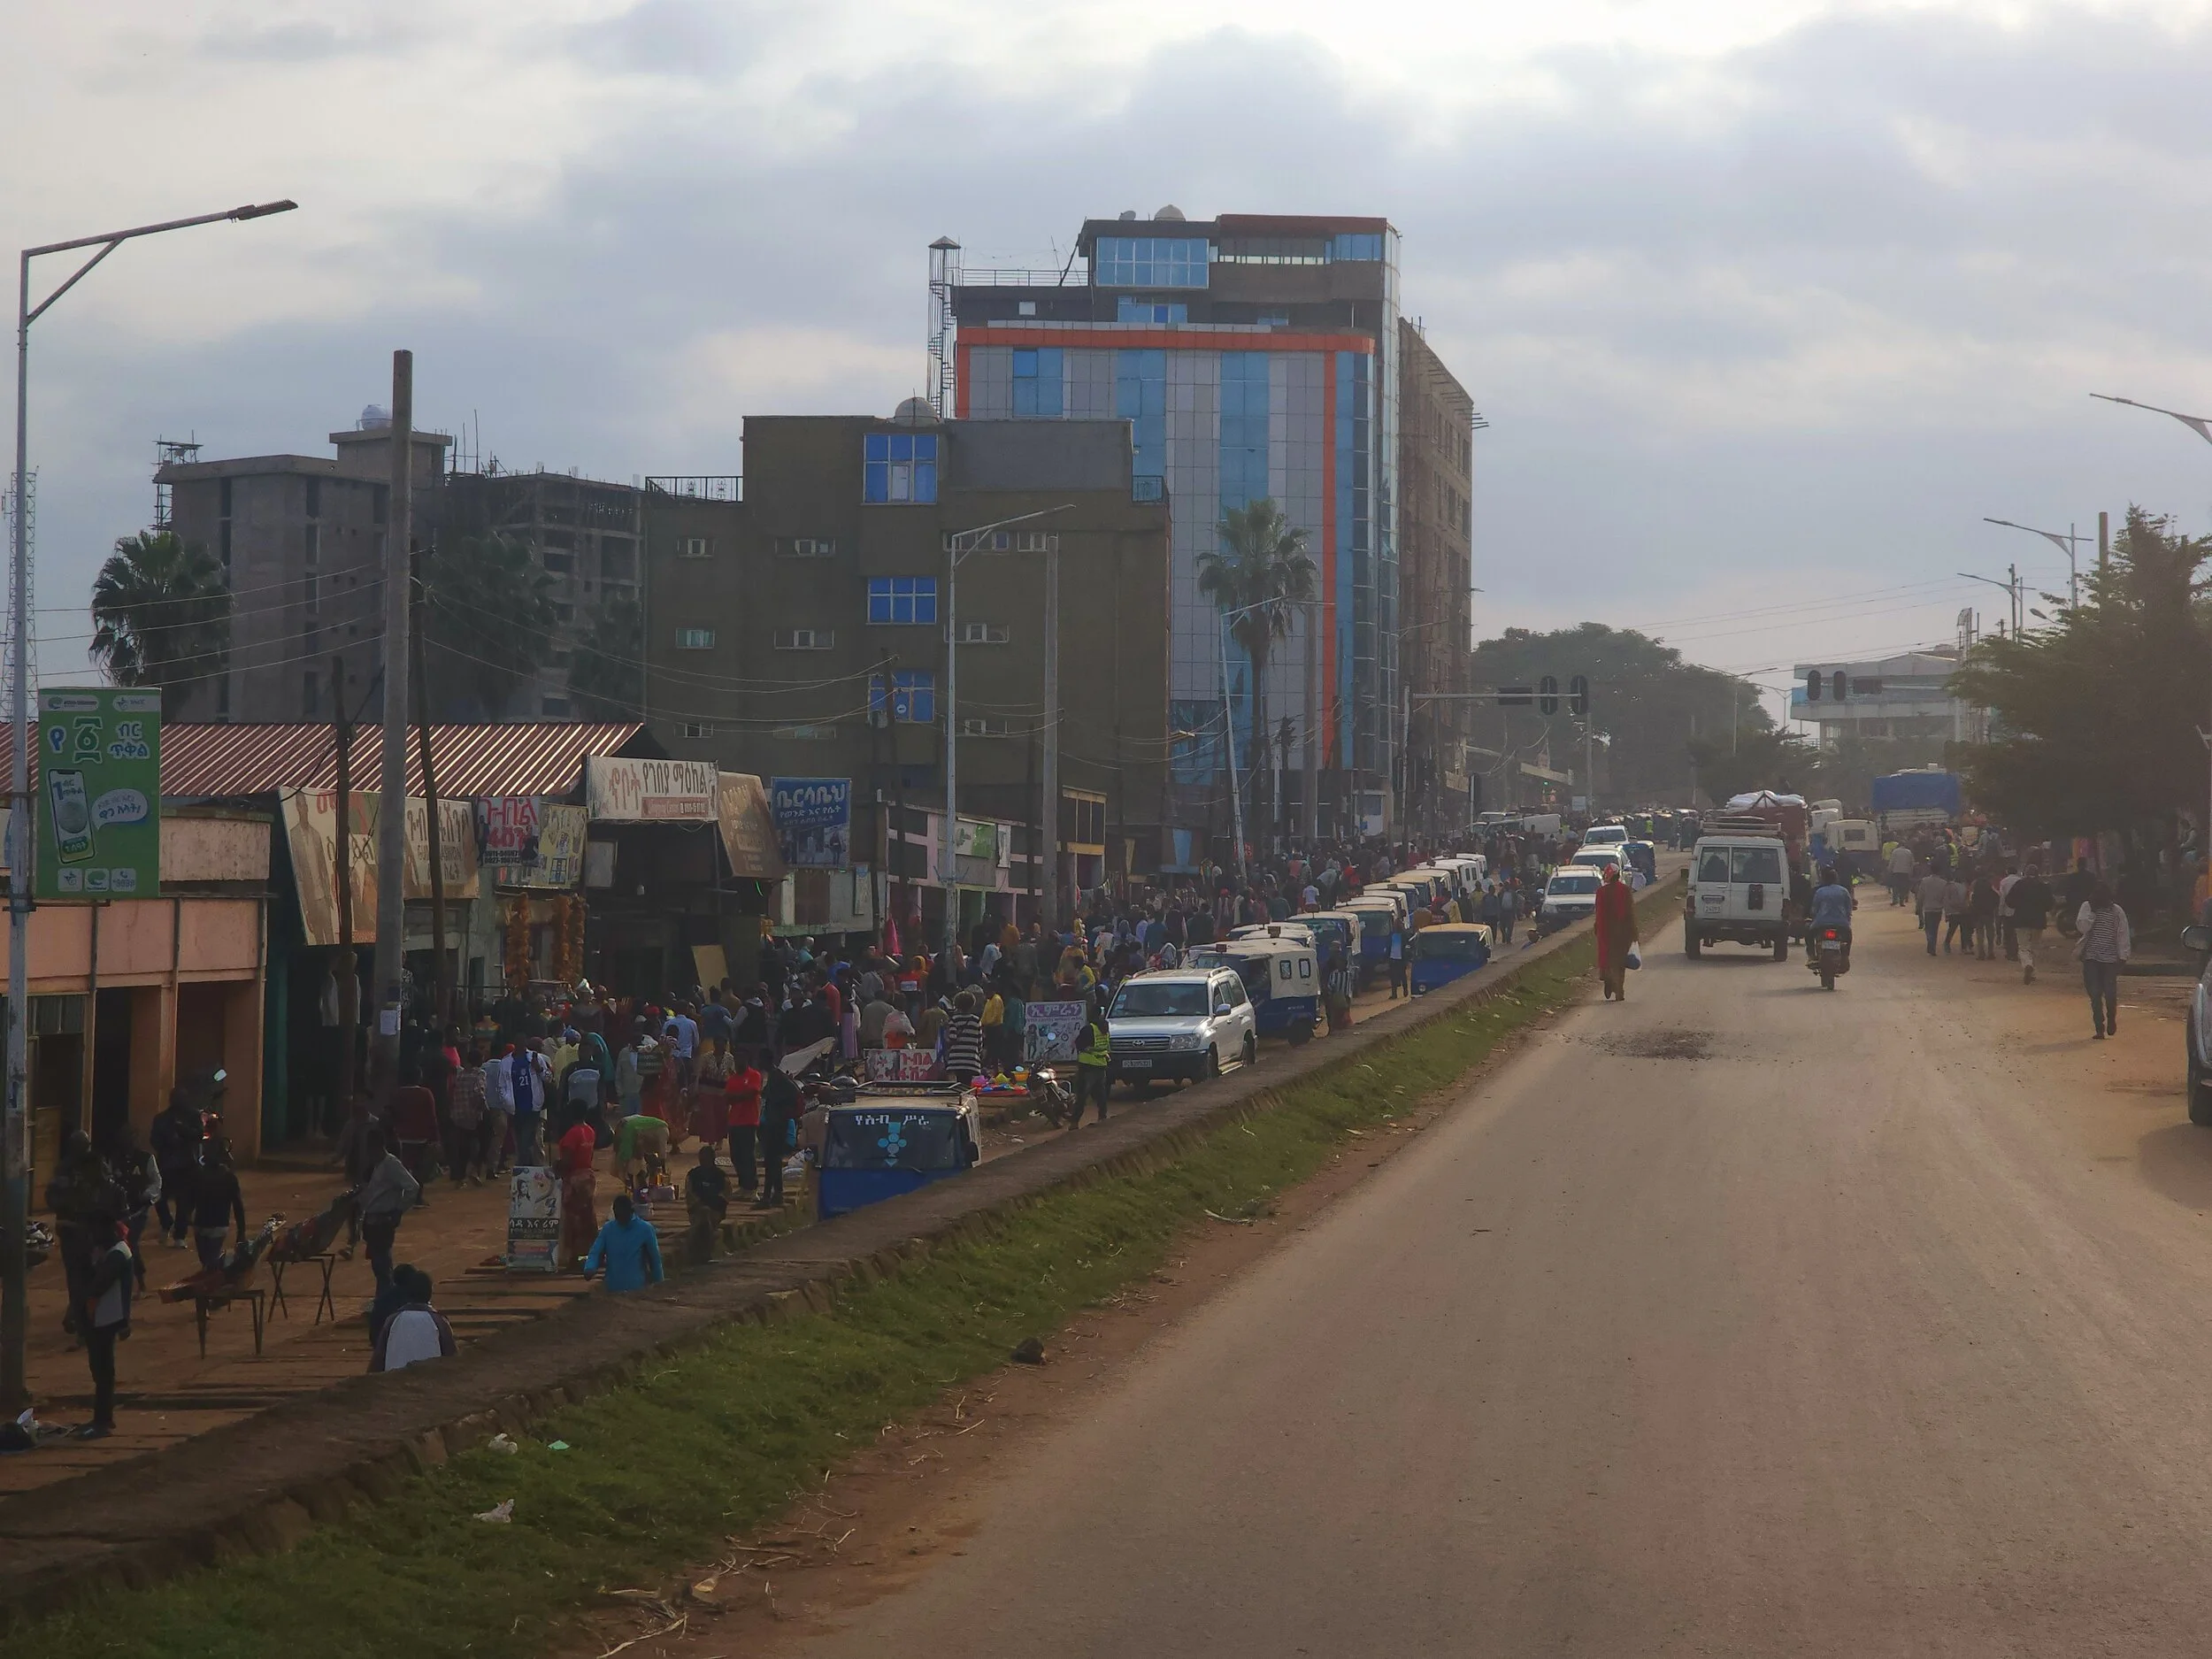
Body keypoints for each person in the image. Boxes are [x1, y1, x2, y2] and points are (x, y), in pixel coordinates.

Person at [78, 1217, 134, 1438]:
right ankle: (102, 1418)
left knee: (103, 1372)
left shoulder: (117, 1254)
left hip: (107, 1317)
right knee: (100, 1370)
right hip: (104, 1317)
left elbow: (98, 1285)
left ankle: (103, 1420)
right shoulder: (110, 1251)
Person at [355, 1130, 422, 1296]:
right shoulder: (376, 1166)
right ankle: (383, 1297)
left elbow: (413, 1187)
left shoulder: (391, 1164)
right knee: (378, 1266)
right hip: (372, 1221)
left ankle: (386, 1299)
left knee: (383, 1266)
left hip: (383, 1220)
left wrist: (399, 1209)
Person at [368, 1265, 457, 1373]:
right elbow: (452, 1358)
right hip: (431, 1379)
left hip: (394, 1380)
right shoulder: (439, 1321)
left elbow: (378, 1358)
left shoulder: (393, 1319)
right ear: (430, 1293)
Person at [148, 1087, 202, 1250]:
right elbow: (154, 1140)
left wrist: (183, 1130)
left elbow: (199, 1135)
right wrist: (167, 1144)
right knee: (159, 1197)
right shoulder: (161, 1118)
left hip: (186, 1164)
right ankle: (166, 1222)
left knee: (183, 1201)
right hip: (166, 1163)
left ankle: (180, 1235)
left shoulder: (193, 1115)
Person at [2076, 881, 2131, 1039]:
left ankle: (2111, 1018)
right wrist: (2092, 913)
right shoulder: (2087, 908)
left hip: (2110, 960)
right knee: (2094, 994)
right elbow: (2082, 928)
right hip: (2091, 958)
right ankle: (2099, 1027)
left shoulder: (2116, 911)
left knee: (2110, 993)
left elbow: (2123, 934)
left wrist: (2123, 956)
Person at [583, 1192, 665, 1293]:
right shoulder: (608, 1229)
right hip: (613, 1289)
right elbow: (596, 1252)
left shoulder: (645, 1229)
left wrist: (659, 1284)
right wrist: (590, 1267)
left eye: (623, 1215)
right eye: (618, 1215)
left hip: (637, 1290)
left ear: (631, 1211)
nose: (621, 1219)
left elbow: (655, 1260)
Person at [188, 1140, 249, 1272]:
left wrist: (186, 1217)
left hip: (201, 1224)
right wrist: (241, 1231)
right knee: (210, 1262)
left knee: (207, 1261)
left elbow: (190, 1199)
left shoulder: (199, 1175)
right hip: (217, 1224)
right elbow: (238, 1206)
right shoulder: (229, 1178)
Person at [554, 1111, 599, 1269]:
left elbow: (567, 1160)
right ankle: (593, 1253)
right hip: (588, 1176)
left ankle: (574, 1256)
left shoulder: (572, 1134)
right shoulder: (590, 1131)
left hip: (575, 1179)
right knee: (588, 1217)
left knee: (573, 1219)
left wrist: (556, 1168)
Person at [1593, 864, 1640, 1002]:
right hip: (1624, 932)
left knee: (1609, 960)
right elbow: (1631, 912)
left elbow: (1599, 914)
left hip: (1607, 932)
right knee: (1621, 962)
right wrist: (1634, 931)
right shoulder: (1626, 890)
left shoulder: (1601, 892)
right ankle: (1619, 988)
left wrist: (1598, 928)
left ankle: (1611, 981)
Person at [758, 1062, 800, 1210]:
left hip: (775, 1133)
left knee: (771, 1165)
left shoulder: (779, 1096)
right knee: (773, 1165)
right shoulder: (777, 1091)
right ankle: (777, 1195)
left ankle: (767, 1198)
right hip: (772, 1132)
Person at [724, 1052, 764, 1198]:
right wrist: (741, 1096)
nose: (738, 1062)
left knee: (747, 1155)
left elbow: (751, 1093)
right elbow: (728, 1098)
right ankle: (744, 1185)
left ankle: (752, 1187)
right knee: (736, 1156)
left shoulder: (754, 1075)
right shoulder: (732, 1079)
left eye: (741, 1059)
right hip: (734, 1121)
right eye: (737, 1060)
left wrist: (737, 1096)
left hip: (749, 1120)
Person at [685, 1142, 730, 1265]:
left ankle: (699, 1253)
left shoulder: (721, 1176)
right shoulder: (692, 1175)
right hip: (697, 1212)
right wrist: (700, 1206)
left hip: (715, 1212)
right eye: (702, 1159)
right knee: (703, 1217)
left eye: (706, 1159)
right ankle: (701, 1253)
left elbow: (725, 1197)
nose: (703, 1161)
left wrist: (711, 1208)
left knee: (706, 1219)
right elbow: (689, 1195)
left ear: (712, 1159)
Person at [2008, 861, 2053, 984]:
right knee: (2035, 946)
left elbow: (2009, 901)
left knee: (2023, 947)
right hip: (2038, 921)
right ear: (2038, 874)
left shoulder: (2019, 885)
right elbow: (2050, 904)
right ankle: (2033, 972)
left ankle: (2027, 964)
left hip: (2021, 920)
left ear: (2026, 873)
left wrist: (2018, 905)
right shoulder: (2043, 886)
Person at [1805, 865, 1855, 966]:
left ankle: (1812, 957)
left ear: (1824, 879)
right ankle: (1845, 956)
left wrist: (1813, 917)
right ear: (1836, 878)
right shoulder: (1843, 891)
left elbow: (1814, 910)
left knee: (1809, 934)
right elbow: (1849, 909)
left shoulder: (1820, 892)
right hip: (1841, 924)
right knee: (1848, 937)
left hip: (1820, 924)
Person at [1072, 1005, 1112, 1125]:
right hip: (1101, 1064)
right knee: (1101, 1094)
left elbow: (1079, 1044)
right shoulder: (1105, 1028)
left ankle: (1074, 1122)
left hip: (1087, 1066)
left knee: (1082, 1096)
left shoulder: (1088, 1029)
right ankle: (1102, 1117)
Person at [942, 991, 986, 1083]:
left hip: (957, 1059)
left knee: (959, 1083)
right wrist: (978, 1053)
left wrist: (946, 1037)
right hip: (971, 1059)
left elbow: (952, 1038)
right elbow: (979, 1041)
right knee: (967, 1083)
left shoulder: (954, 1020)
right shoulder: (976, 1020)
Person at [1916, 865, 1948, 956]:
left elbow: (1920, 896)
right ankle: (1932, 945)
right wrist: (1947, 912)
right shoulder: (1943, 883)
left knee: (1928, 928)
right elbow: (1945, 899)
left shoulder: (1925, 881)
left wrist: (1918, 907)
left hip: (1928, 908)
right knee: (1935, 928)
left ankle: (1931, 943)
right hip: (1938, 909)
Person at [1887, 840, 1916, 906]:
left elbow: (1892, 862)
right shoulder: (1909, 852)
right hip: (1905, 872)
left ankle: (1895, 900)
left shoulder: (1895, 851)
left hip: (1896, 871)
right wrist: (1911, 871)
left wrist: (1889, 869)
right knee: (1903, 887)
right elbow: (1912, 863)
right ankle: (1902, 901)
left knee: (1895, 886)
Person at [1386, 921, 1407, 999]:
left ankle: (1402, 991)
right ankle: (1396, 993)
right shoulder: (1392, 935)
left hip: (1399, 959)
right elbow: (1388, 947)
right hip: (1395, 959)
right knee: (1397, 977)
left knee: (1400, 976)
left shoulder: (1403, 935)